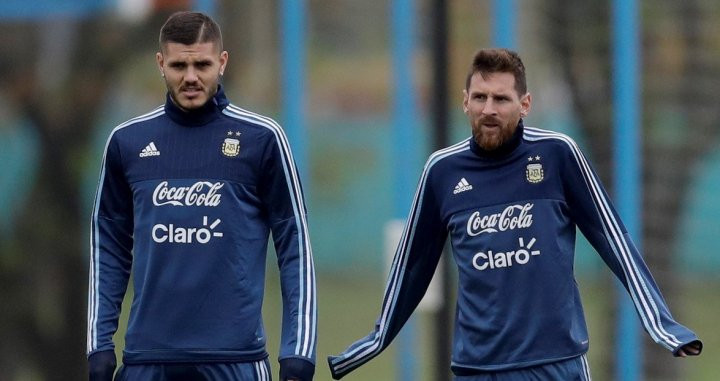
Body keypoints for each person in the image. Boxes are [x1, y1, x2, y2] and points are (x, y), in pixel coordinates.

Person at [327, 48, 702, 380]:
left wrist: (662, 325)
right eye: (480, 97)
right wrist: (374, 343)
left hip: (555, 363)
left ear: (524, 104)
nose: (489, 109)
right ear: (465, 101)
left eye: (501, 99)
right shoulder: (442, 171)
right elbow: (412, 266)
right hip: (477, 368)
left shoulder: (558, 155)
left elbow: (613, 240)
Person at [87, 11, 316, 381]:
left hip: (236, 359)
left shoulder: (262, 139)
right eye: (179, 65)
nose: (190, 77)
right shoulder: (126, 143)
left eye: (202, 64)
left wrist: (299, 351)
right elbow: (108, 247)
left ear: (222, 62)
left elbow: (296, 247)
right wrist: (99, 345)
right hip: (148, 360)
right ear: (160, 64)